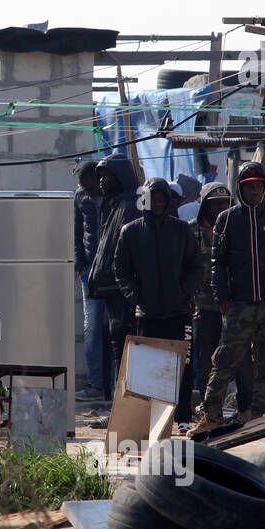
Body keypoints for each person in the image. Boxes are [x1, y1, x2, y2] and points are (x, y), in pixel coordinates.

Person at [191, 161, 265, 436]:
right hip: (239, 304)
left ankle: (259, 412)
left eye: (258, 186)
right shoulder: (227, 219)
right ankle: (211, 414)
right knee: (225, 359)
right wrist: (223, 298)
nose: (254, 191)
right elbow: (219, 262)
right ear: (240, 189)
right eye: (249, 186)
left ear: (264, 188)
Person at [112, 177, 199, 418]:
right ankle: (152, 419)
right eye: (154, 199)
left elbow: (195, 265)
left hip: (179, 313)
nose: (158, 203)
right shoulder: (130, 231)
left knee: (183, 366)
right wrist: (136, 296)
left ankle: (182, 417)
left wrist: (185, 293)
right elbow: (120, 269)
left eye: (162, 198)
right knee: (149, 368)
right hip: (147, 313)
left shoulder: (181, 230)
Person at [188, 181, 253, 424]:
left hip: (236, 306)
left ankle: (248, 409)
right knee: (205, 359)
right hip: (204, 307)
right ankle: (209, 410)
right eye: (213, 204)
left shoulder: (237, 228)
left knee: (242, 358)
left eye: (223, 204)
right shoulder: (190, 231)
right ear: (204, 205)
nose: (218, 209)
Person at [85, 154, 142, 391]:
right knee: (117, 349)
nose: (101, 181)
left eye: (106, 175)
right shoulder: (113, 205)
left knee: (126, 351)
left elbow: (127, 255)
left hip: (123, 292)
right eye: (99, 176)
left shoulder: (130, 207)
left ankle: (125, 407)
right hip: (111, 290)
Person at [73, 160, 108, 401]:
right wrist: (80, 263)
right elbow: (76, 230)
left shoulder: (114, 196)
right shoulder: (80, 197)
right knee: (92, 328)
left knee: (116, 331)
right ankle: (95, 385)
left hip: (114, 272)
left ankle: (117, 386)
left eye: (89, 187)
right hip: (89, 271)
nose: (87, 191)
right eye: (83, 188)